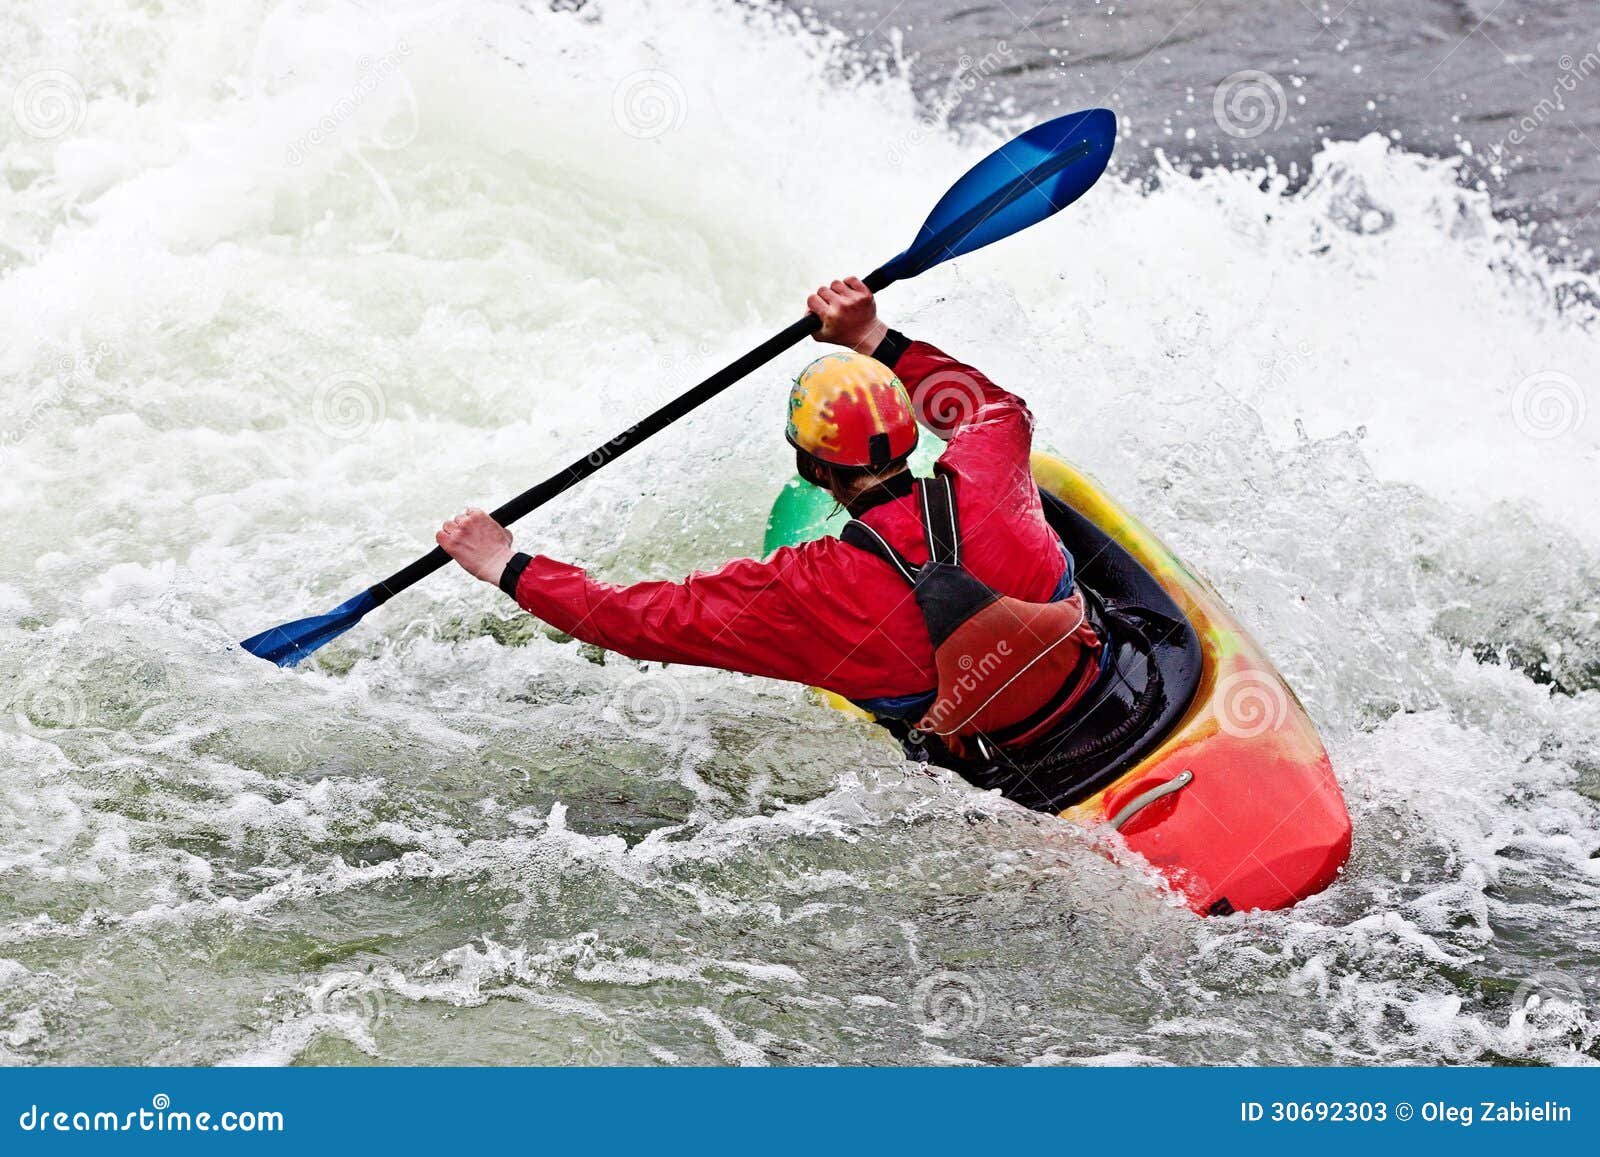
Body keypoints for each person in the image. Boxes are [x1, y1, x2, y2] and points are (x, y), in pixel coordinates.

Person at [437, 277, 1140, 810]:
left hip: (1004, 768)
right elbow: (992, 406)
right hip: (1121, 693)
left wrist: (506, 564)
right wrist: (872, 336)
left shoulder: (799, 592)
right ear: (911, 431)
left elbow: (634, 619)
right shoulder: (988, 465)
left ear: (809, 468)